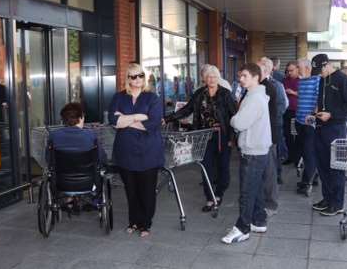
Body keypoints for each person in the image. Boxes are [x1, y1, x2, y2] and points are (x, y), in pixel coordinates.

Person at [165, 65, 237, 212]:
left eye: (214, 77)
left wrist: (231, 137)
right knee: (206, 166)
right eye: (209, 77)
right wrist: (168, 118)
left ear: (218, 78)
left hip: (222, 135)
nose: (211, 79)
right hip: (204, 135)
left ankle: (219, 193)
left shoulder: (225, 94)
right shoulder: (199, 94)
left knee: (223, 166)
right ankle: (210, 197)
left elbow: (234, 116)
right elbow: (187, 109)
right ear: (205, 79)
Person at [108, 63, 164, 238]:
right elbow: (113, 121)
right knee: (131, 190)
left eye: (140, 75)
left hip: (149, 152)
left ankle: (145, 223)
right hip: (125, 151)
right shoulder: (119, 97)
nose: (138, 79)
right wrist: (138, 117)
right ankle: (133, 221)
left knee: (146, 191)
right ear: (128, 79)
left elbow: (154, 123)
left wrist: (125, 119)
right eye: (133, 76)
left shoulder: (152, 98)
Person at [222, 63, 272, 244]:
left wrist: (233, 119)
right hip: (256, 149)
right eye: (240, 76)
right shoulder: (254, 95)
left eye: (244, 76)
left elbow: (239, 123)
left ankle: (242, 228)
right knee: (256, 187)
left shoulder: (255, 99)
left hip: (253, 151)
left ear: (255, 77)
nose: (240, 79)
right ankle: (258, 221)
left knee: (247, 191)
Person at [310, 54, 347, 216]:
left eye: (320, 70)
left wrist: (332, 114)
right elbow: (323, 101)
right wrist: (316, 111)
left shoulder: (342, 80)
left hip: (336, 129)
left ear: (328, 65)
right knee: (323, 165)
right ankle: (327, 198)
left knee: (336, 166)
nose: (319, 74)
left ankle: (337, 203)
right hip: (321, 127)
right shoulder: (323, 80)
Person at [257, 57, 287, 214]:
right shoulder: (256, 86)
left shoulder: (274, 86)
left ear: (266, 71)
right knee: (263, 169)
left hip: (269, 133)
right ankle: (264, 200)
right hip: (260, 134)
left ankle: (270, 203)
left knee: (270, 169)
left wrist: (271, 125)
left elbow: (281, 106)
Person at [295, 58, 320, 196]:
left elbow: (319, 99)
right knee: (305, 153)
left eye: (299, 67)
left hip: (310, 123)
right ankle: (313, 176)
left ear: (307, 68)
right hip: (299, 122)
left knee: (309, 153)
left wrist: (312, 115)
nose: (297, 70)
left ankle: (306, 183)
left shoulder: (316, 80)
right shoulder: (301, 81)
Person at [282, 61, 300, 166]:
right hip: (287, 111)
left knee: (296, 135)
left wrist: (293, 92)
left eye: (291, 70)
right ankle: (291, 156)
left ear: (297, 69)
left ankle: (297, 158)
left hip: (297, 112)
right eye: (288, 71)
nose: (289, 72)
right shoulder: (285, 80)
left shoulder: (302, 81)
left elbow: (304, 94)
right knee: (287, 135)